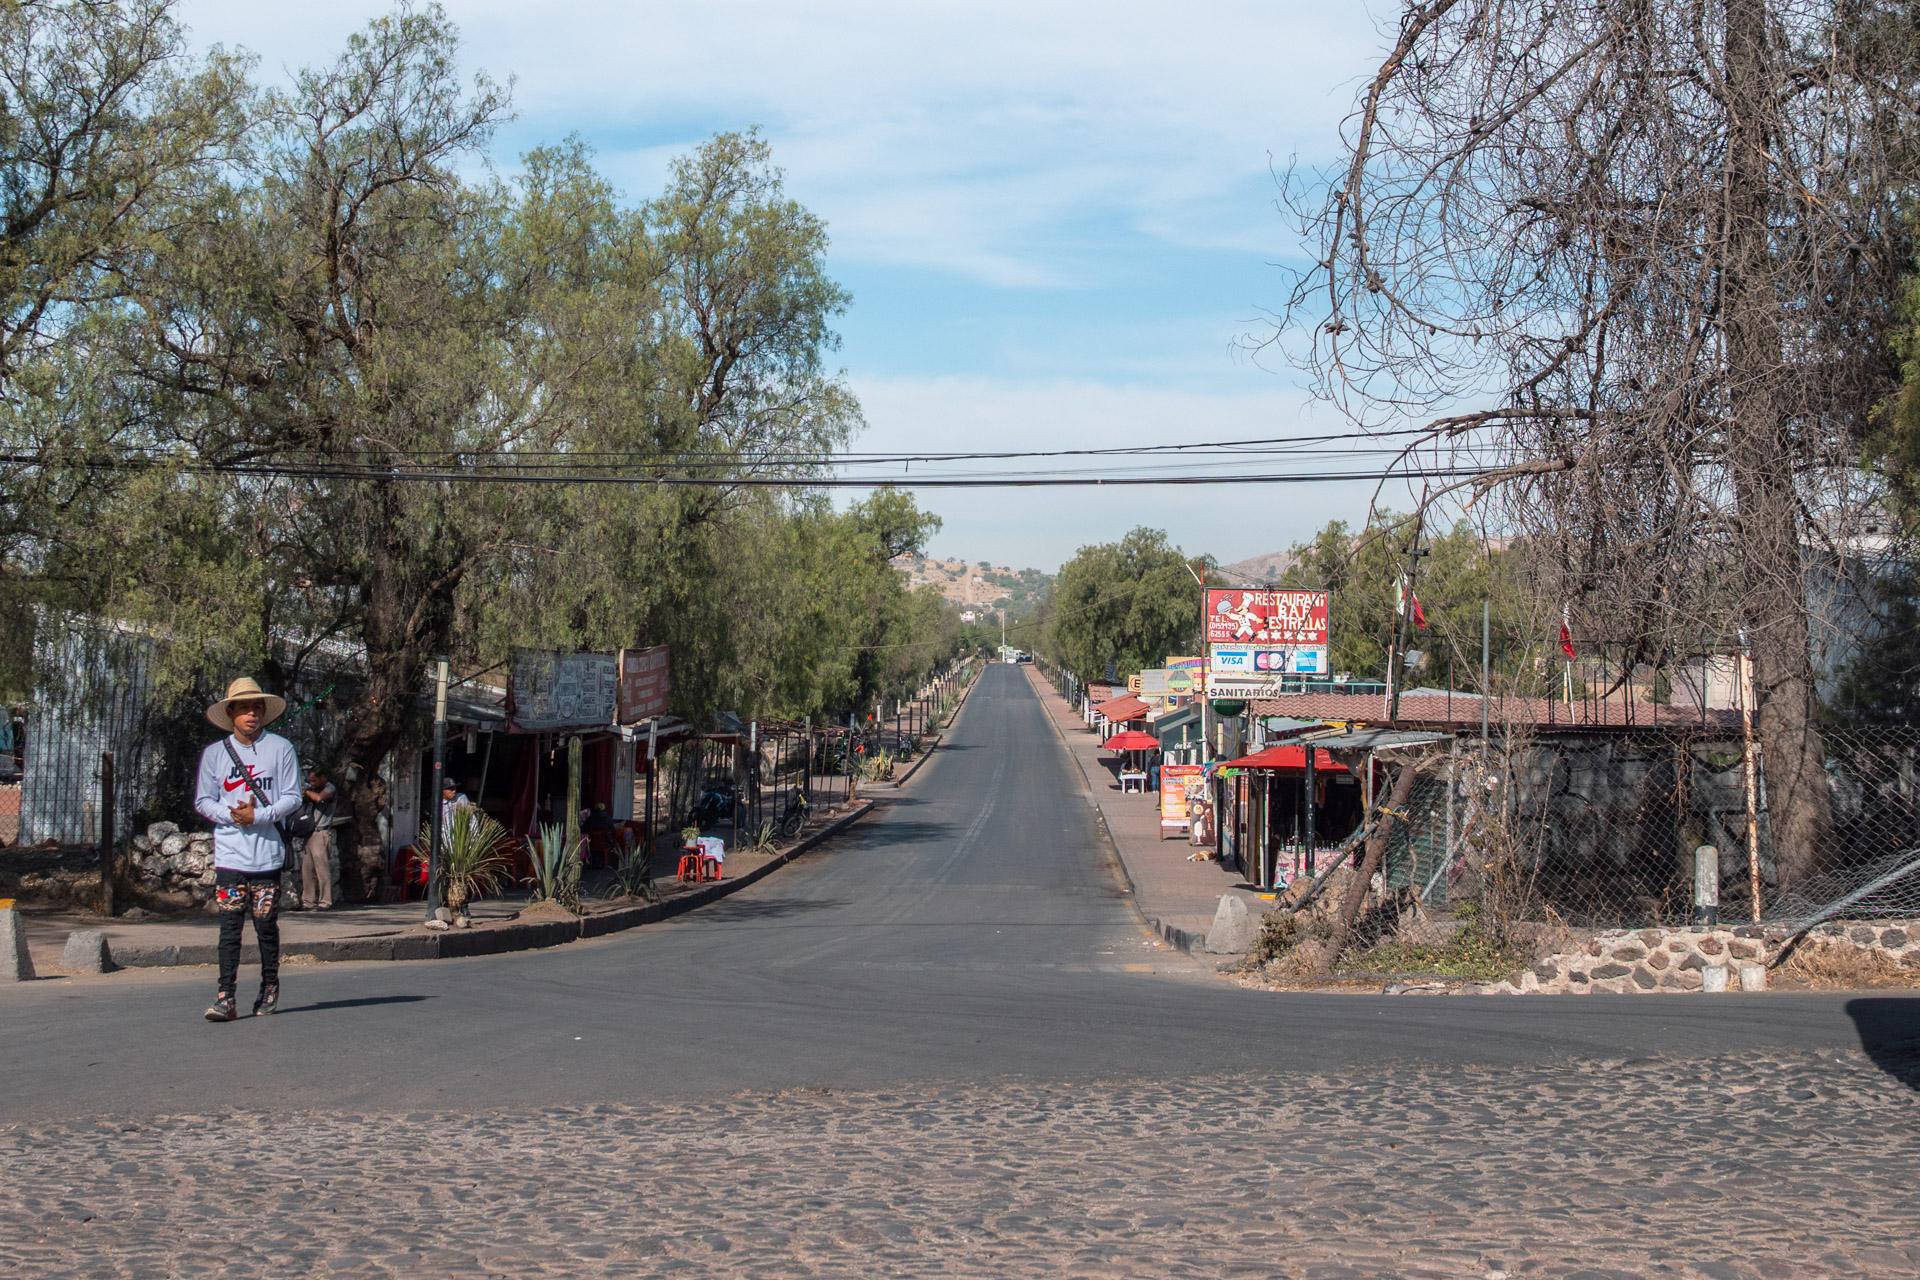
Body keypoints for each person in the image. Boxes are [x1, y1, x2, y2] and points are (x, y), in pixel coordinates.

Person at [194, 677, 301, 1022]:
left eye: (256, 707)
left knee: (266, 927)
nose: (251, 714)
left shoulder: (281, 748)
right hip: (230, 856)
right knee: (229, 929)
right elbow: (204, 800)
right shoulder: (214, 754)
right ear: (231, 713)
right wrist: (231, 816)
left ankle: (269, 987)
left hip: (267, 855)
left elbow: (293, 796)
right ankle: (225, 996)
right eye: (243, 708)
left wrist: (260, 815)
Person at [298, 765, 337, 911]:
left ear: (322, 778)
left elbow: (319, 798)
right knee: (307, 869)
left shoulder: (330, 788)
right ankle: (308, 901)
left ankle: (325, 901)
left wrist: (306, 791)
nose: (312, 783)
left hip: (321, 833)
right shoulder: (312, 790)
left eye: (315, 780)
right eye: (310, 781)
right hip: (309, 832)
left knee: (322, 869)